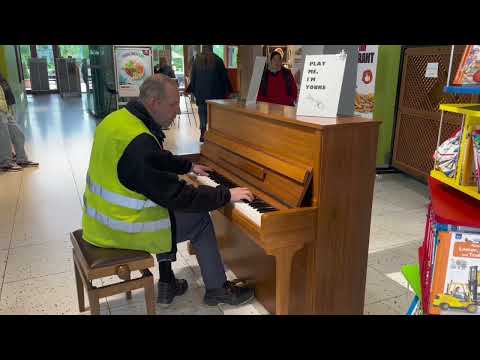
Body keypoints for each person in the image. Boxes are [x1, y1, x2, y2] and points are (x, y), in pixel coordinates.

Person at [82, 74, 255, 307]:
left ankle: (167, 282)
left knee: (161, 207)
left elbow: (154, 160)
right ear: (154, 102)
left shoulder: (119, 121)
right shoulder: (139, 142)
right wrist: (226, 194)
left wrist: (188, 165)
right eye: (174, 104)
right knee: (199, 219)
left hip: (100, 221)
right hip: (122, 228)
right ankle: (217, 289)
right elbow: (178, 196)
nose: (178, 111)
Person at [185, 45, 232, 142]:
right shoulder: (218, 60)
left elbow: (193, 78)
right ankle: (214, 134)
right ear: (212, 48)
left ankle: (202, 134)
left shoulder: (197, 61)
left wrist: (191, 89)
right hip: (216, 95)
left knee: (202, 113)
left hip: (201, 95)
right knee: (214, 116)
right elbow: (224, 78)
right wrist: (229, 92)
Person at [0, 73, 38, 172]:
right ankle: (6, 163)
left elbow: (5, 88)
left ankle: (21, 159)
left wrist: (10, 104)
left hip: (4, 108)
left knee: (18, 133)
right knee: (4, 137)